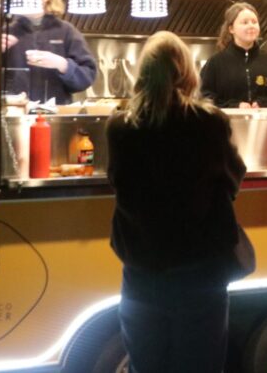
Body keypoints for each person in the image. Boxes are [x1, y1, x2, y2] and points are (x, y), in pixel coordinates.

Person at [107, 31, 247, 373]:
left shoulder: (120, 126)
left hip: (140, 275)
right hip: (200, 275)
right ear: (186, 72)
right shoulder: (208, 122)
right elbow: (233, 179)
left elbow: (118, 183)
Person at [3, 0, 97, 104]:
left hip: (55, 116)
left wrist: (63, 64)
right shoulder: (6, 32)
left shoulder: (66, 31)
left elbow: (87, 76)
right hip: (14, 112)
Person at [200, 1, 267, 108]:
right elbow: (203, 98)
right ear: (231, 29)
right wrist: (235, 106)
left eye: (254, 22)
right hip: (225, 123)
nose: (251, 26)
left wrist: (264, 105)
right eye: (245, 22)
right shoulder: (215, 63)